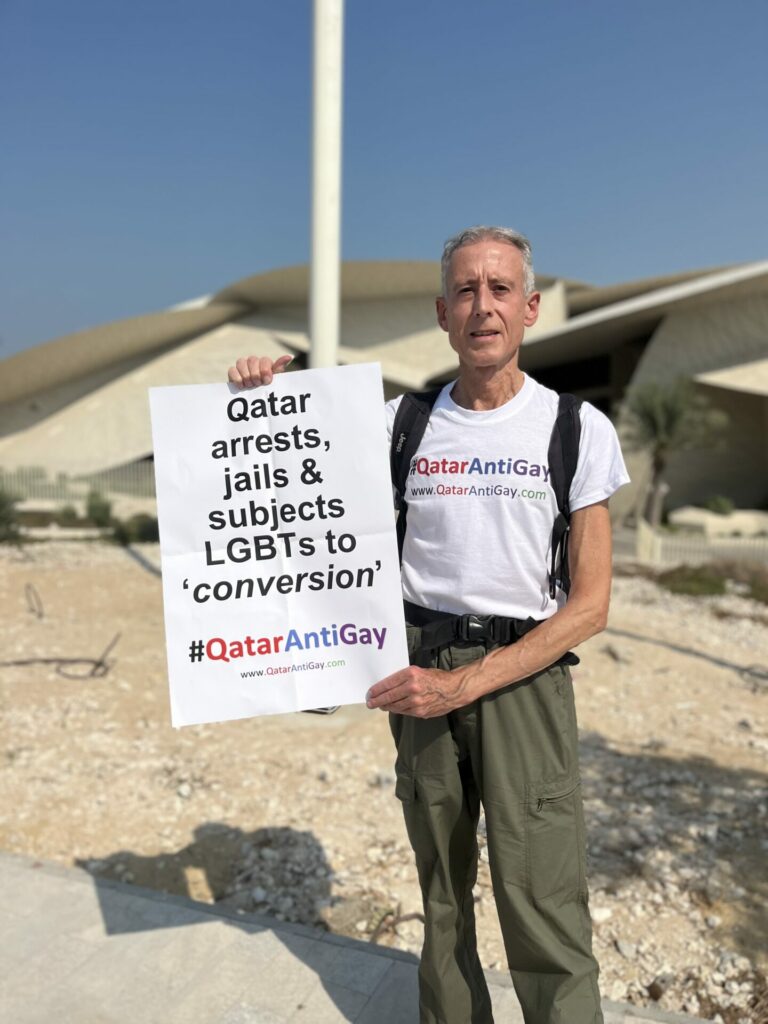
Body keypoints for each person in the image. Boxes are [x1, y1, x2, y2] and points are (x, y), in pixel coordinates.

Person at [228, 225, 629, 1024]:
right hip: (419, 672)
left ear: (532, 308)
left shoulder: (576, 430)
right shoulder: (395, 426)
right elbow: (286, 482)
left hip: (524, 681)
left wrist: (468, 682)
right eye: (468, 291)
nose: (485, 306)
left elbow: (589, 605)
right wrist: (255, 404)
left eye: (502, 288)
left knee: (541, 894)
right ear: (442, 313)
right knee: (442, 896)